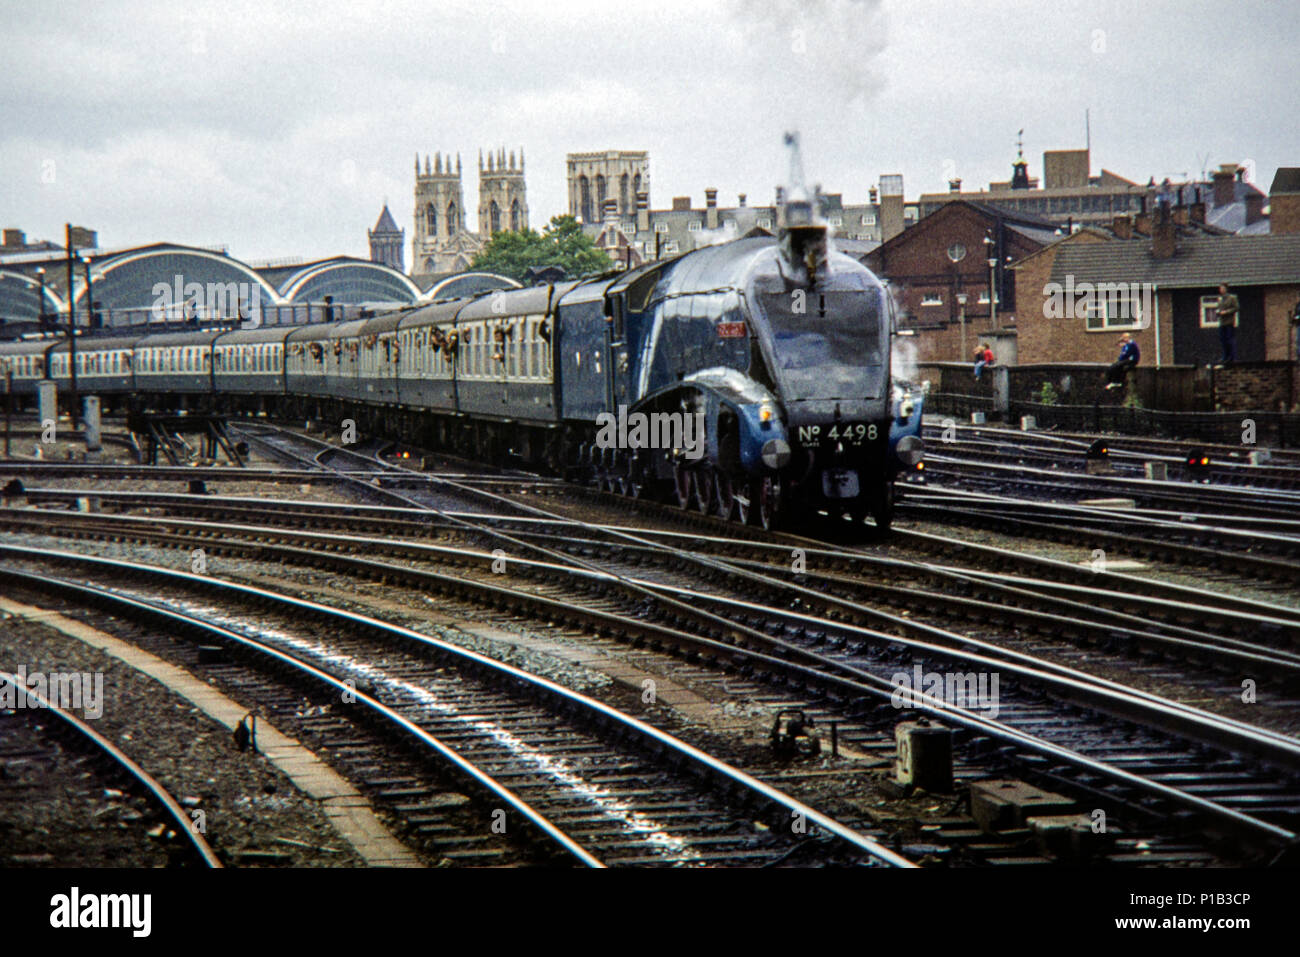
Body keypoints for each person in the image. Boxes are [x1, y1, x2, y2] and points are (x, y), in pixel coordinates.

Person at [1214, 283, 1239, 367]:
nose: (1221, 290)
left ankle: (1233, 357)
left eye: (1222, 288)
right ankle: (1225, 356)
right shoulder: (1220, 298)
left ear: (1226, 289)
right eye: (1220, 288)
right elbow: (1219, 308)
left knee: (1230, 339)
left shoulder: (1232, 298)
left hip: (1229, 322)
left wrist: (1226, 312)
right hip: (1222, 322)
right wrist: (1218, 312)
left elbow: (1236, 308)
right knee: (1223, 340)